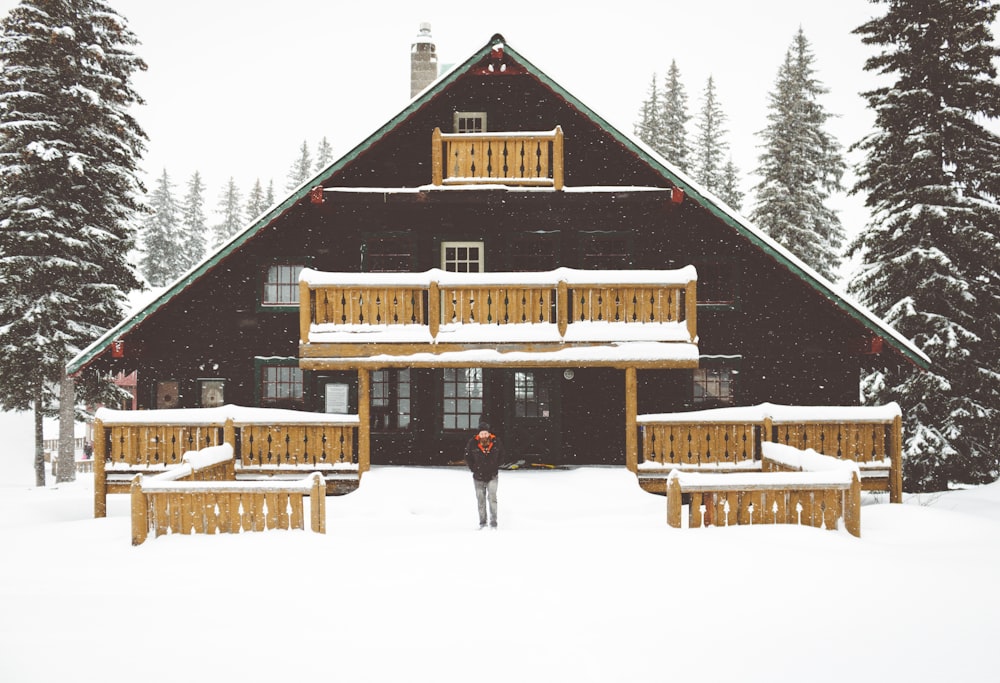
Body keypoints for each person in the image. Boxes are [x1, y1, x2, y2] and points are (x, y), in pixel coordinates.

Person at [465, 420, 503, 529]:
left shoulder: (496, 442)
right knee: (480, 499)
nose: (484, 435)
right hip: (478, 476)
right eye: (482, 433)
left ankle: (494, 521)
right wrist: (474, 468)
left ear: (489, 433)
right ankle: (482, 522)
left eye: (486, 433)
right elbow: (468, 457)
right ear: (479, 434)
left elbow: (502, 454)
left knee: (492, 497)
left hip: (492, 475)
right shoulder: (472, 443)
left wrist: (496, 466)